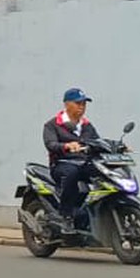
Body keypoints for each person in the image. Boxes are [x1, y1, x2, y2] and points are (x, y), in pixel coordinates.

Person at [44, 88, 102, 229]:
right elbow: (50, 144)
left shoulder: (87, 125)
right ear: (67, 104)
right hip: (61, 164)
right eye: (78, 103)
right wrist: (67, 146)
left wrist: (118, 147)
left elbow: (97, 142)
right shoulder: (52, 125)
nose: (81, 107)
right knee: (72, 173)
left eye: (84, 104)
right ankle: (65, 215)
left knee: (104, 172)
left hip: (83, 163)